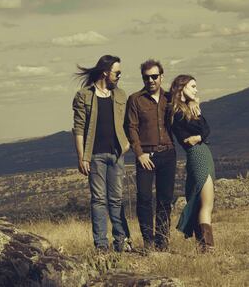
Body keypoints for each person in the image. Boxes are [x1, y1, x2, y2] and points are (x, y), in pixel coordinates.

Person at [72, 54, 132, 253]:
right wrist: (82, 157)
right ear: (105, 72)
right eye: (117, 72)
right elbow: (79, 128)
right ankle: (101, 246)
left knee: (116, 199)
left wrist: (127, 144)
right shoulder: (84, 96)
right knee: (98, 200)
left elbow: (127, 123)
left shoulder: (121, 95)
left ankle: (121, 243)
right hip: (95, 155)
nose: (119, 76)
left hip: (117, 154)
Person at [125, 59, 176, 251]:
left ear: (161, 77)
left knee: (165, 200)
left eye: (155, 76)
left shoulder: (170, 99)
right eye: (146, 77)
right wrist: (139, 154)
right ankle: (148, 242)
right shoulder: (135, 100)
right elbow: (131, 128)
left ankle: (162, 242)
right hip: (146, 156)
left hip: (168, 154)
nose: (151, 80)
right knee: (144, 198)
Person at [169, 74, 215, 253]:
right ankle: (207, 246)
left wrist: (200, 135)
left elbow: (204, 131)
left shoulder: (188, 109)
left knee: (201, 202)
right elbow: (200, 131)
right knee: (206, 204)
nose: (196, 90)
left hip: (202, 154)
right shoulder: (178, 113)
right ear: (182, 88)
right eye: (193, 86)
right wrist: (197, 111)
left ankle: (204, 246)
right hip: (198, 156)